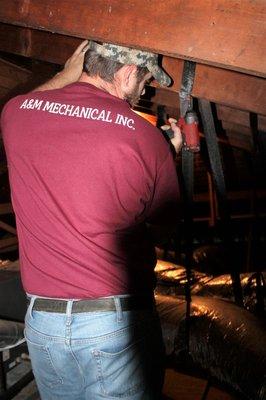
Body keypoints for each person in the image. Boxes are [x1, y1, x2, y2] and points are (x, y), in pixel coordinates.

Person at [1, 40, 182, 399]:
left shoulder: (16, 113)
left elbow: (26, 104)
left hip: (43, 323)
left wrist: (62, 76)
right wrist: (168, 152)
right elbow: (165, 224)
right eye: (144, 82)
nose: (143, 90)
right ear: (128, 73)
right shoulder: (146, 138)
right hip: (111, 322)